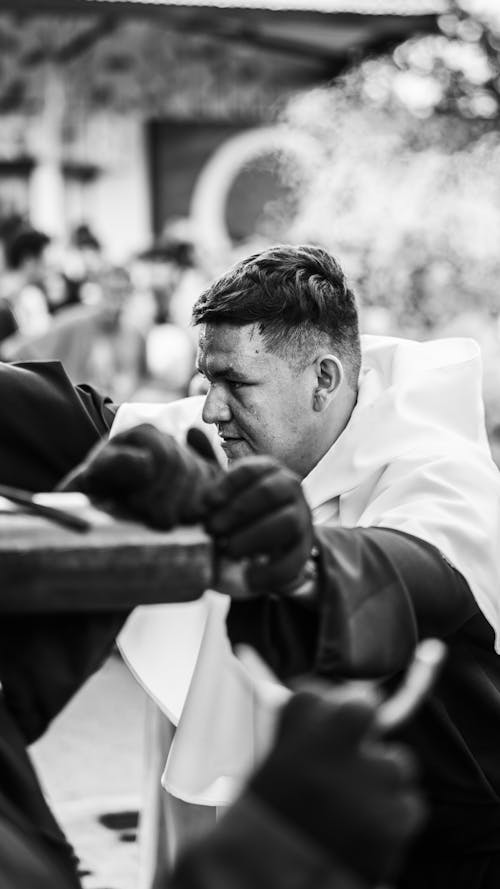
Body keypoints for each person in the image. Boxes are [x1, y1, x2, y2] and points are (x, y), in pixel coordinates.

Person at [63, 243, 500, 889]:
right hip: (310, 835)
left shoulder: (443, 474)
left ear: (324, 378)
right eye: (206, 383)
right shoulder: (255, 420)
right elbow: (75, 421)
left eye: (234, 384)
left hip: (460, 843)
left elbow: (411, 571)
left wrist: (298, 560)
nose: (211, 409)